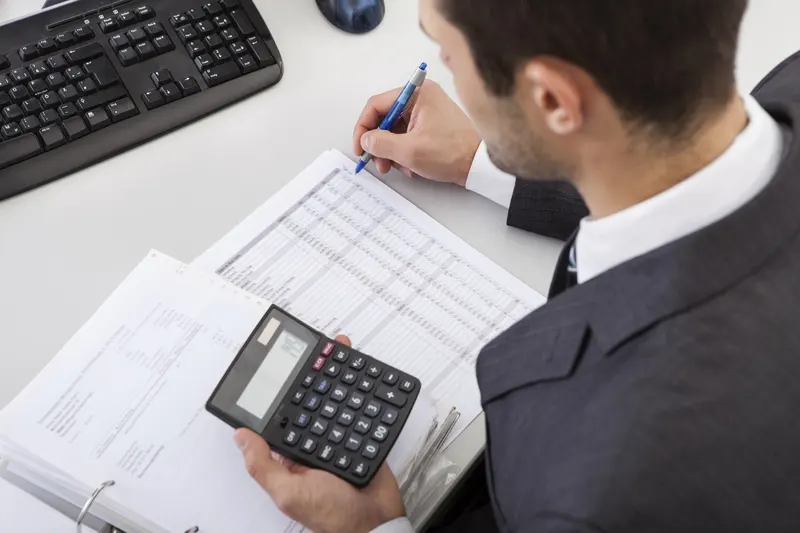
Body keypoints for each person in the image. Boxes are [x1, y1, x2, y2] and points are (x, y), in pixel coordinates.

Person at [233, 0, 800, 531]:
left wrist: (380, 524)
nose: (446, 74)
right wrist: (483, 161)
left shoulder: (596, 492)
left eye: (448, 55)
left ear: (553, 102)